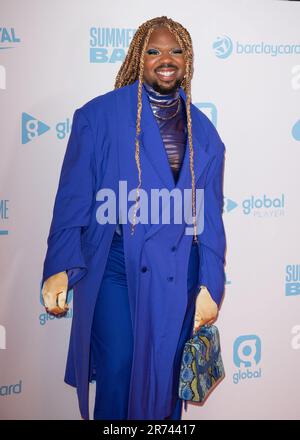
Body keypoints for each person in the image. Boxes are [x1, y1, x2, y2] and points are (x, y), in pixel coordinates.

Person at [41, 16, 226, 420]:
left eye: (176, 51)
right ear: (137, 58)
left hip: (178, 270)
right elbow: (72, 199)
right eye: (154, 50)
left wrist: (210, 282)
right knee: (120, 368)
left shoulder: (205, 134)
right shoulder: (99, 117)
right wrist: (59, 266)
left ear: (188, 61)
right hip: (115, 266)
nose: (166, 59)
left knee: (164, 378)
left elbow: (210, 217)